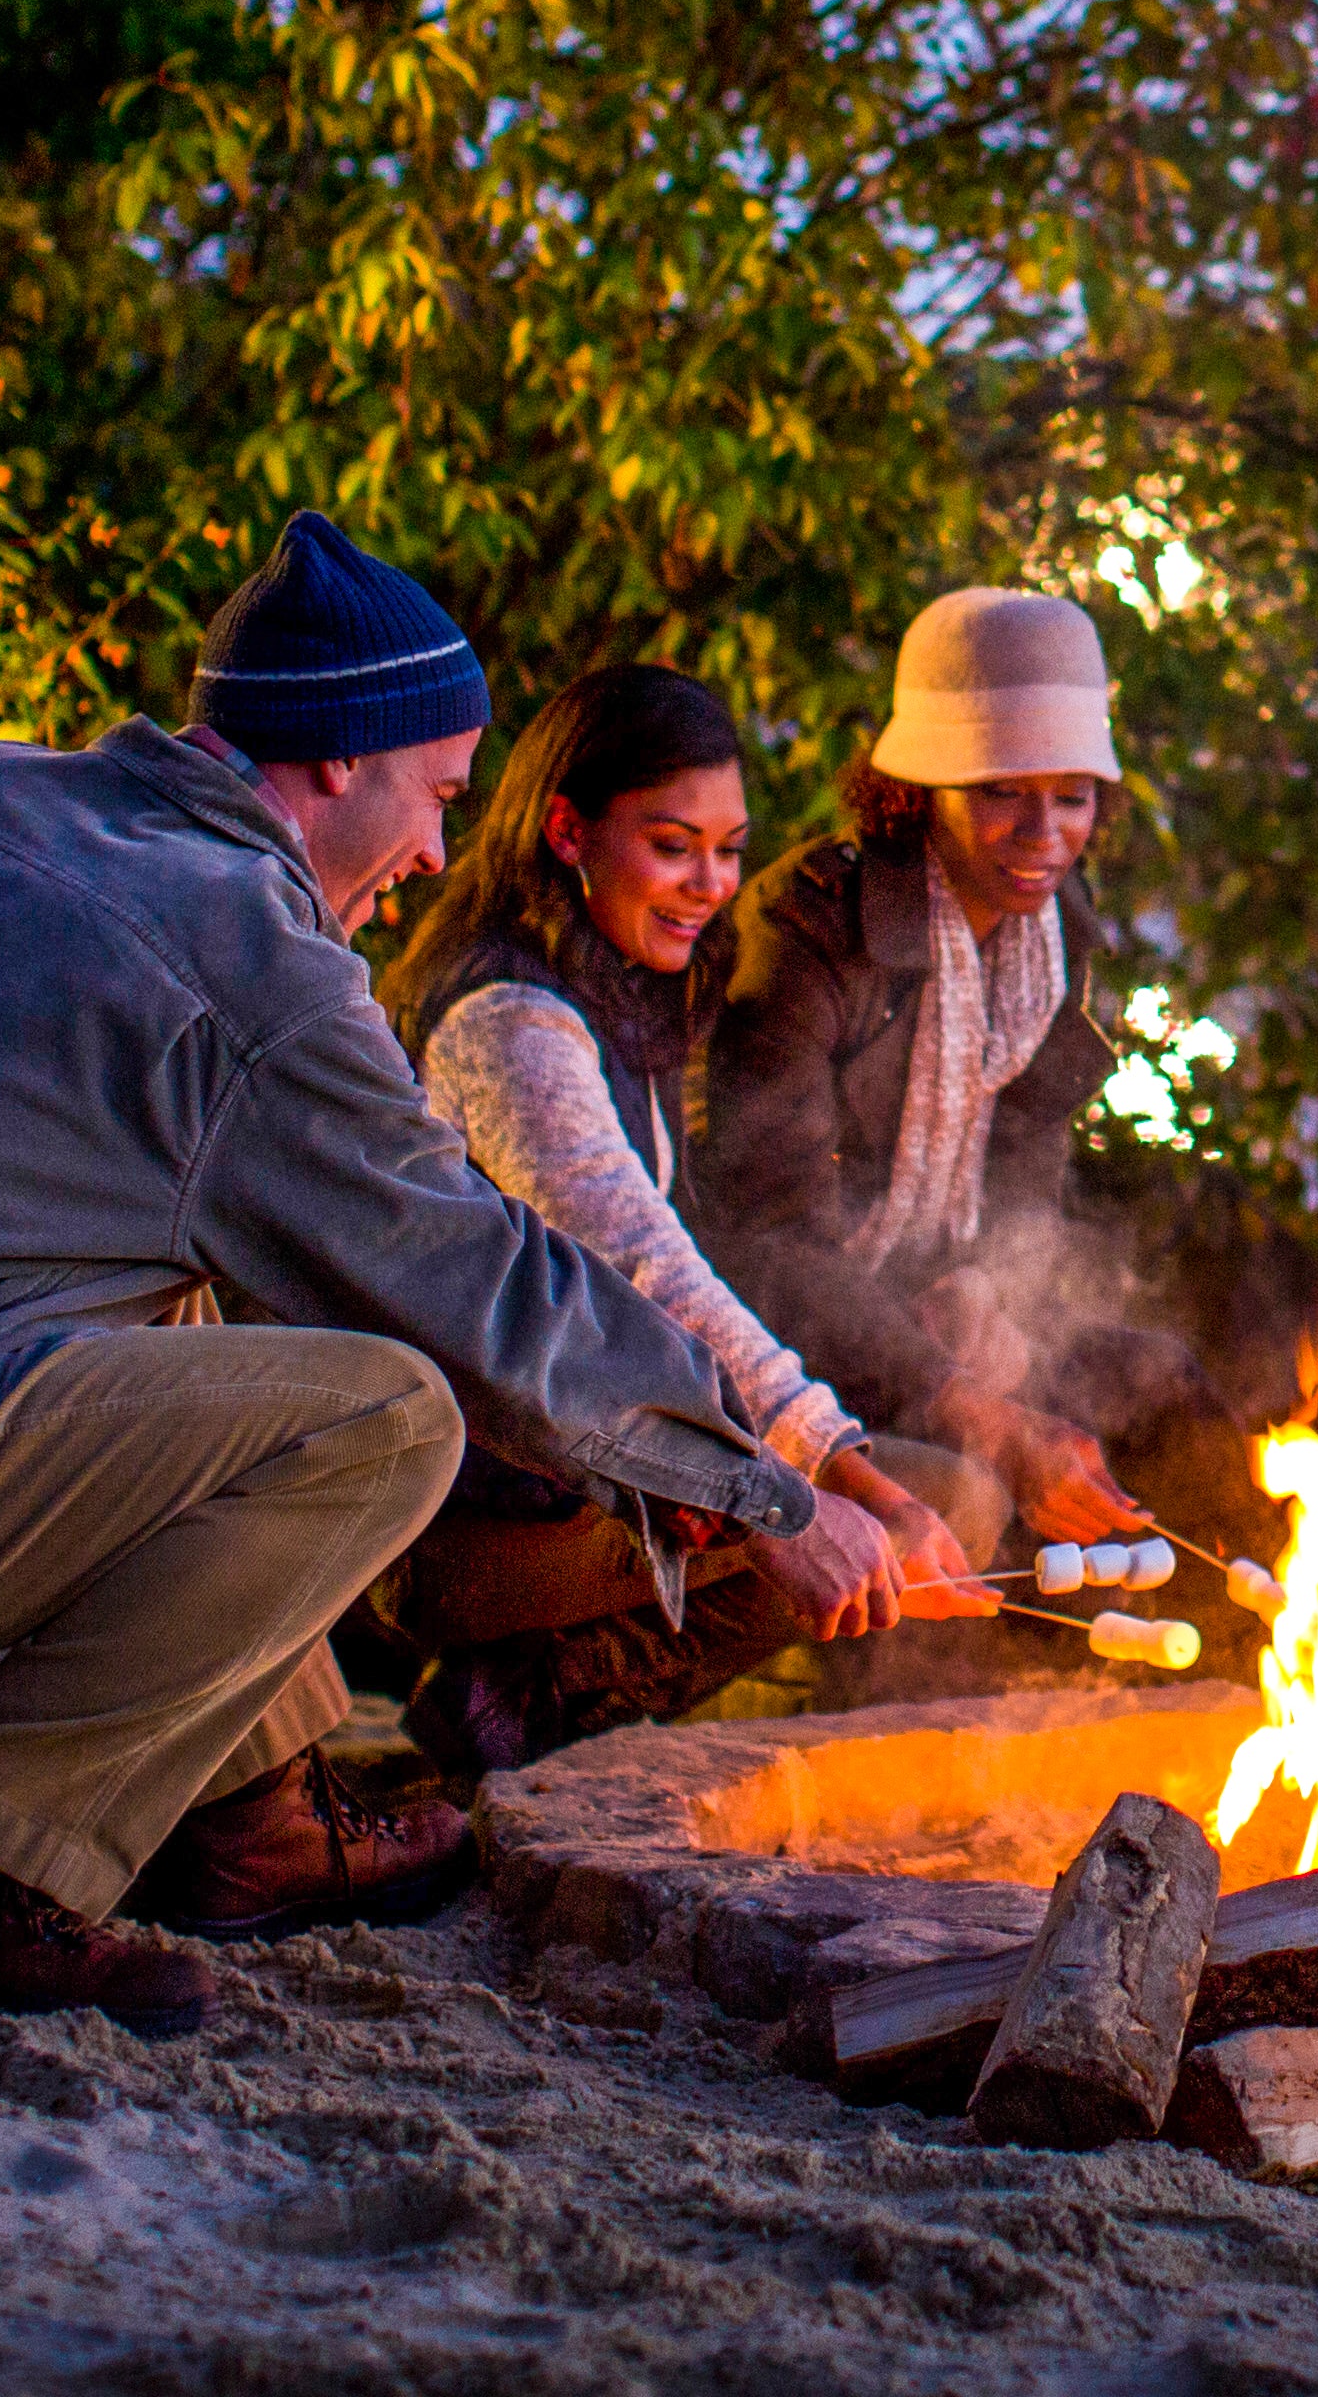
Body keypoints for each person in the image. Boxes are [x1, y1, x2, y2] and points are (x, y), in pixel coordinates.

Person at [0, 512, 810, 2040]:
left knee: (167, 1266)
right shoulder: (241, 949)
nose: (440, 854)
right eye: (442, 795)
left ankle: (251, 1811)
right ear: (342, 758)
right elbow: (466, 1268)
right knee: (381, 1418)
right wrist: (750, 1472)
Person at [374, 662, 988, 1767]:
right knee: (872, 1512)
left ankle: (519, 1700)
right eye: (673, 846)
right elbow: (648, 1276)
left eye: (730, 849)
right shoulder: (511, 1025)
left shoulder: (619, 987)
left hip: (569, 1470)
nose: (711, 884)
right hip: (449, 1513)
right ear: (569, 830)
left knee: (931, 1496)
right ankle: (510, 1723)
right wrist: (839, 1475)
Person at [691, 586, 1207, 1542]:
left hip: (930, 1306)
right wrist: (959, 1395)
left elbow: (1025, 1175)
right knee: (970, 1490)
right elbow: (770, 1242)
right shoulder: (808, 933)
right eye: (1001, 791)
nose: (1044, 834)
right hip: (779, 1334)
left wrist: (989, 1293)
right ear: (917, 790)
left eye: (1072, 796)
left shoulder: (1057, 936)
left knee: (1170, 1392)